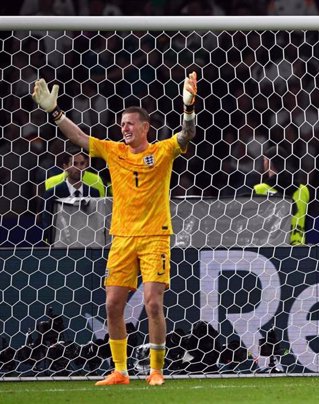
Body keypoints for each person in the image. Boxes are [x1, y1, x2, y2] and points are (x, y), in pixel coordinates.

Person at [32, 71, 198, 386]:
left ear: (145, 127)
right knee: (111, 304)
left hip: (154, 237)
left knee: (152, 302)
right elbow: (79, 138)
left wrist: (188, 108)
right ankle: (120, 371)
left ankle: (155, 370)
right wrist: (54, 113)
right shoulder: (114, 151)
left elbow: (186, 135)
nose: (123, 127)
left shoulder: (161, 151)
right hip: (121, 238)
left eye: (130, 123)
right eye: (121, 123)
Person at [254, 144, 309, 245]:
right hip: (298, 245)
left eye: (264, 160)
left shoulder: (259, 189)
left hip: (271, 246)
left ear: (269, 162)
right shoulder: (303, 190)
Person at [41, 151, 101, 244]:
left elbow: (97, 222)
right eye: (74, 164)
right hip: (61, 246)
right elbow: (47, 224)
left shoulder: (93, 193)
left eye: (82, 164)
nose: (79, 168)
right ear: (65, 167)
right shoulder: (52, 193)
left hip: (88, 245)